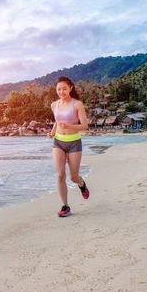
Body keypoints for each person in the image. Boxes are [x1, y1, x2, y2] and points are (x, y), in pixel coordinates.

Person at [47, 76, 90, 217]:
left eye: (64, 88)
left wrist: (69, 126)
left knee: (73, 177)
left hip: (74, 143)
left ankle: (81, 184)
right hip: (58, 142)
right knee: (60, 175)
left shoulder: (77, 104)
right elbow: (57, 121)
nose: (61, 91)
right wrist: (52, 132)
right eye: (59, 89)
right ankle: (65, 206)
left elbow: (84, 126)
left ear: (70, 88)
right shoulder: (54, 105)